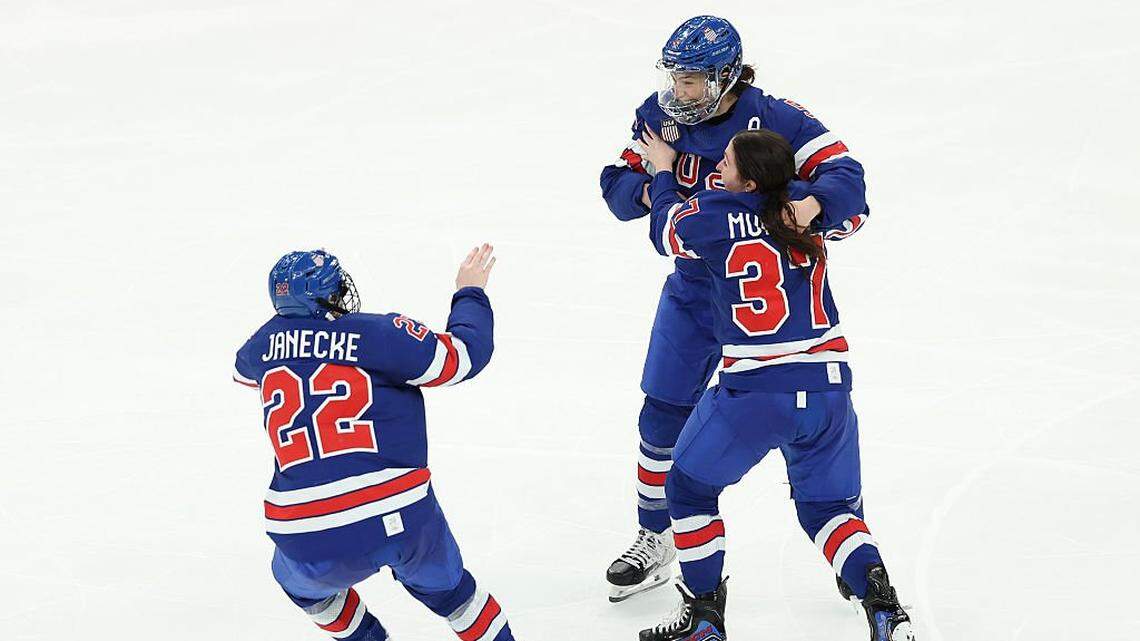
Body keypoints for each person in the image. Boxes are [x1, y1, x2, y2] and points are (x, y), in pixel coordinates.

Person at [598, 15, 869, 602]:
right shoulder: (658, 113)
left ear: (725, 76)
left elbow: (849, 181)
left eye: (692, 79)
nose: (679, 90)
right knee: (661, 414)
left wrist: (811, 205)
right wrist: (654, 188)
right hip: (695, 292)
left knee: (813, 418)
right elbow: (617, 184)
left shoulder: (777, 119)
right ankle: (655, 535)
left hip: (773, 301)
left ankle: (852, 555)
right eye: (674, 76)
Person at [633, 128, 915, 641]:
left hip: (755, 392)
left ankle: (703, 619)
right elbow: (854, 204)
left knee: (688, 489)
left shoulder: (715, 212)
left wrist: (664, 172)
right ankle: (884, 605)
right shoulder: (806, 211)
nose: (718, 167)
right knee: (828, 511)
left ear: (747, 179)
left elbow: (666, 232)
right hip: (829, 390)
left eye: (727, 161)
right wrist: (817, 200)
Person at [232, 245, 515, 641]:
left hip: (303, 530)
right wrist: (470, 292)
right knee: (456, 596)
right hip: (397, 514)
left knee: (302, 588)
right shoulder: (378, 333)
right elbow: (465, 357)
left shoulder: (260, 347)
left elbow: (242, 373)